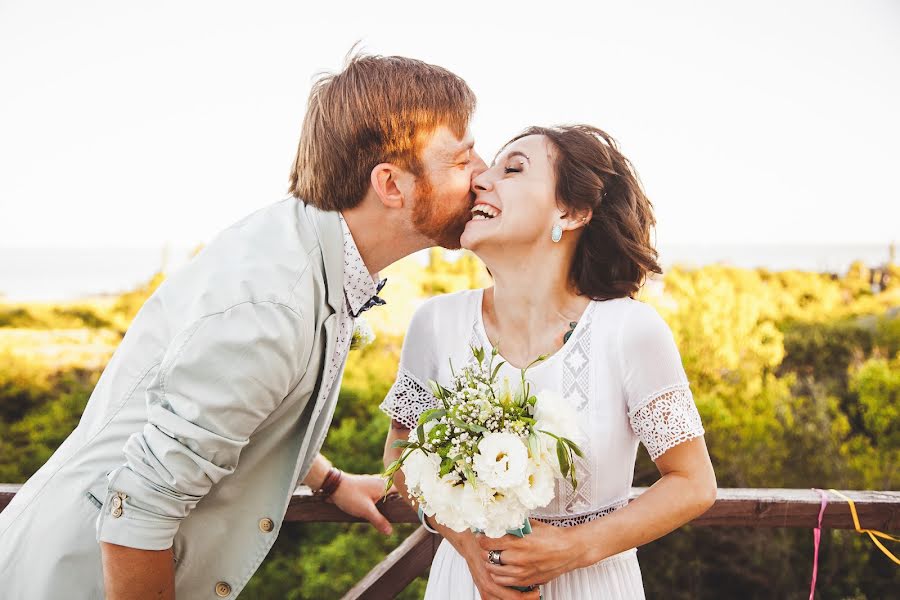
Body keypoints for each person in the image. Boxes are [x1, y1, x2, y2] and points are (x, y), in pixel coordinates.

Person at [0, 52, 487, 599]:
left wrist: (326, 479)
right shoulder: (272, 307)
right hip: (72, 581)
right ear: (391, 184)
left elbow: (240, 407)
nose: (484, 174)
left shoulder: (304, 251)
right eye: (464, 159)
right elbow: (138, 507)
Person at [381, 125, 718, 599]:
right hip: (468, 583)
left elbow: (694, 482)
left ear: (572, 211)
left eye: (513, 169)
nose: (480, 179)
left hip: (594, 584)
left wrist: (572, 547)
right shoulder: (436, 323)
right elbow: (400, 450)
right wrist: (468, 546)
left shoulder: (630, 331)